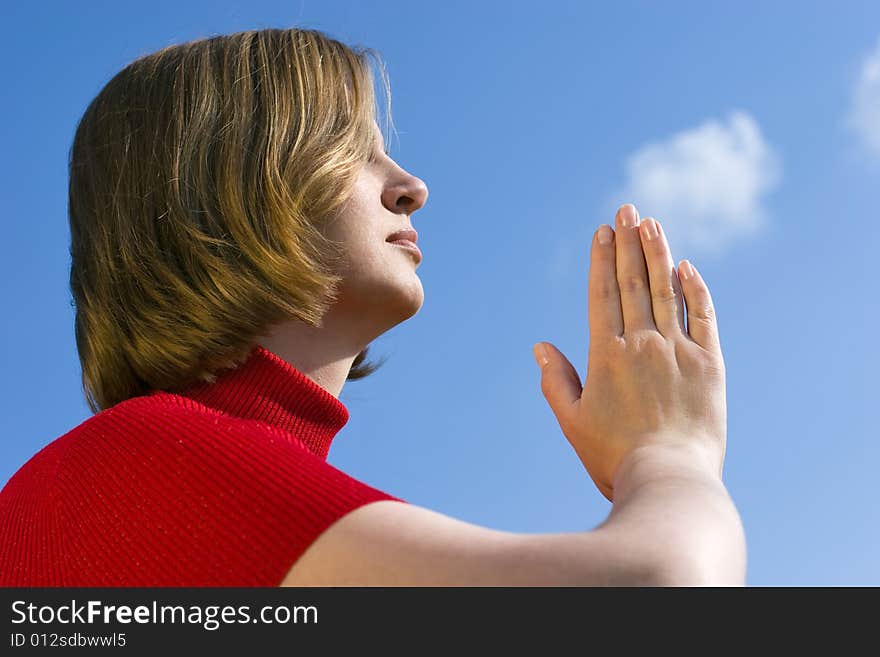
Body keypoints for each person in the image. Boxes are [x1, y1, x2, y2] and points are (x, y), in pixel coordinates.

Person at [0, 27, 745, 586]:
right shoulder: (140, 464)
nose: (410, 185)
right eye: (351, 146)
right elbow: (658, 589)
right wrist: (671, 458)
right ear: (224, 186)